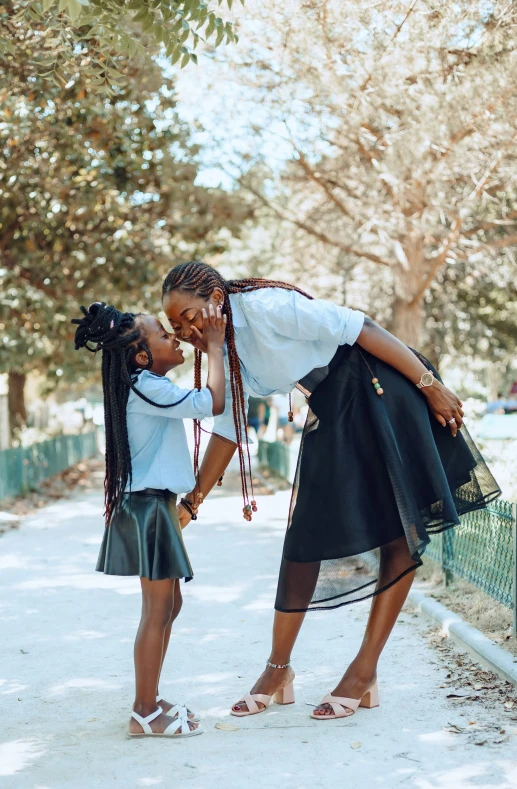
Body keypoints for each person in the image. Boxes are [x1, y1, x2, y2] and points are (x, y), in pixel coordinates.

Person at [161, 262, 500, 722]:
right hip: (333, 408)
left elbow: (362, 326)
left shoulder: (265, 306)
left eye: (188, 316)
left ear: (216, 300)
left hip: (380, 389)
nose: (184, 330)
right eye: (176, 325)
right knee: (304, 540)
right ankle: (278, 669)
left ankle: (364, 672)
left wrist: (429, 384)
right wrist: (191, 503)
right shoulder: (226, 348)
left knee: (400, 534)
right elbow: (228, 425)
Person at [72, 300, 226, 737]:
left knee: (168, 605)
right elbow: (213, 402)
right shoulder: (147, 386)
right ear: (142, 356)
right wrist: (213, 345)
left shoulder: (145, 384)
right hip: (148, 507)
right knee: (157, 610)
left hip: (152, 504)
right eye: (163, 333)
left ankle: (152, 697)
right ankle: (144, 711)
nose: (173, 337)